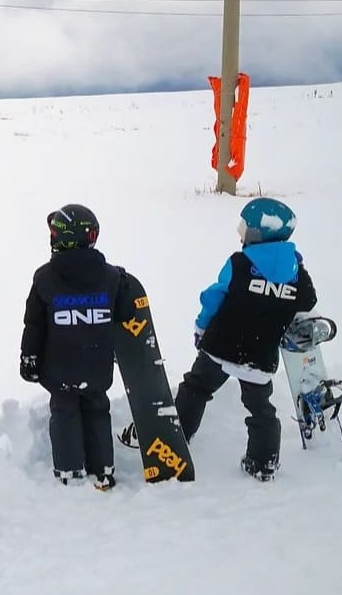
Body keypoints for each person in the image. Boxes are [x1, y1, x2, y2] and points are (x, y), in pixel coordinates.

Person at [122, 197, 316, 481]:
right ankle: (263, 463)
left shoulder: (239, 264)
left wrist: (201, 327)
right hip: (260, 357)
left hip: (222, 347)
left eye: (245, 228)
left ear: (259, 233)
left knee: (196, 388)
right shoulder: (296, 276)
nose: (241, 234)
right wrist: (296, 267)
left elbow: (214, 297)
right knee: (261, 409)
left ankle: (178, 436)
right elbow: (308, 301)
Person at [19, 204, 124, 490]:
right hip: (97, 363)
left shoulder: (45, 277)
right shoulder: (112, 277)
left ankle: (69, 469)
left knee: (64, 411)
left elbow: (34, 324)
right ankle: (103, 468)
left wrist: (29, 358)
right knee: (97, 410)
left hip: (59, 365)